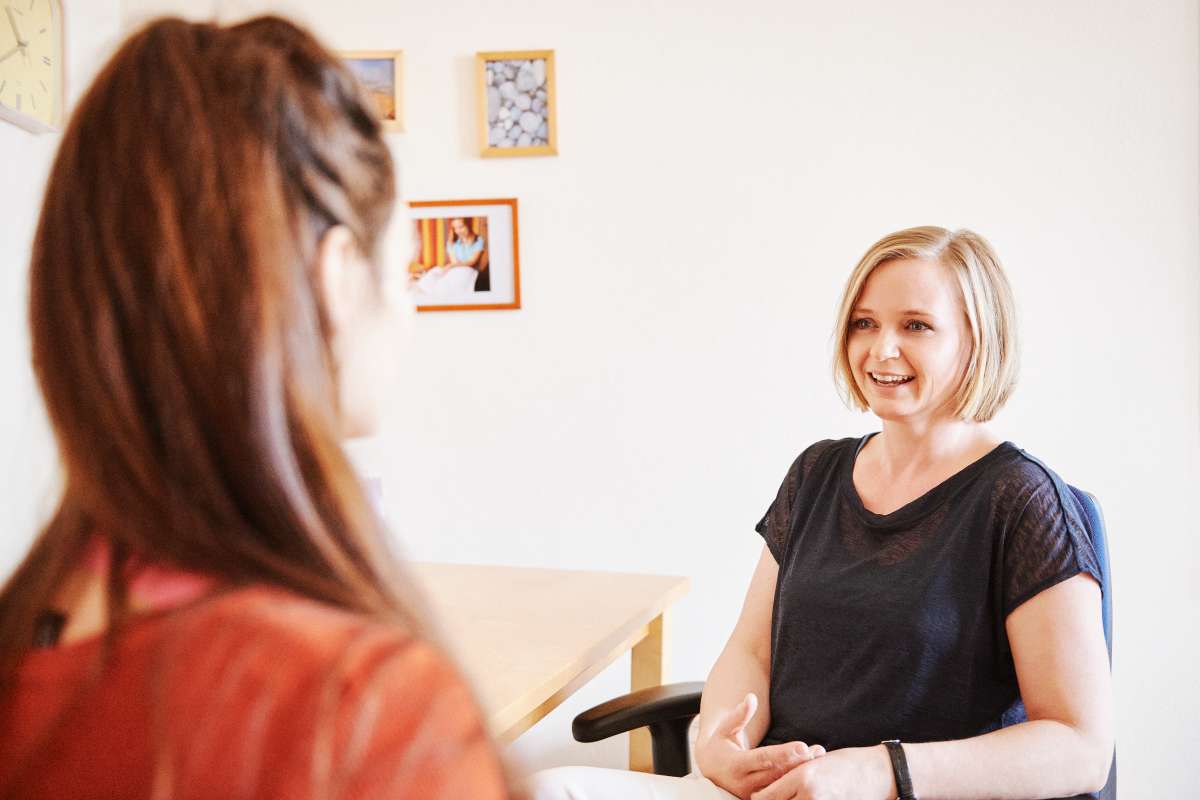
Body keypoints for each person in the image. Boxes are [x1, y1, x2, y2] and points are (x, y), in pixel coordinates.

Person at [0, 15, 514, 800]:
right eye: (403, 267)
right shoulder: (363, 716)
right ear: (337, 280)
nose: (407, 307)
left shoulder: (29, 655)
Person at [529, 227, 1113, 800]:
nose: (881, 349)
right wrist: (720, 746)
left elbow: (1080, 747)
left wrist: (881, 772)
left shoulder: (1023, 500)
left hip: (909, 793)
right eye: (865, 323)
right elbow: (752, 652)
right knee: (544, 790)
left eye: (916, 325)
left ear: (978, 340)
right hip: (777, 789)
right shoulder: (817, 473)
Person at [446, 217, 489, 291]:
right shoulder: (451, 242)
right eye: (455, 228)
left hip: (469, 272)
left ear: (468, 225)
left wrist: (452, 265)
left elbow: (472, 262)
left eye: (461, 227)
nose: (458, 231)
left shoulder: (478, 240)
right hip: (456, 271)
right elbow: (454, 262)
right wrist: (451, 244)